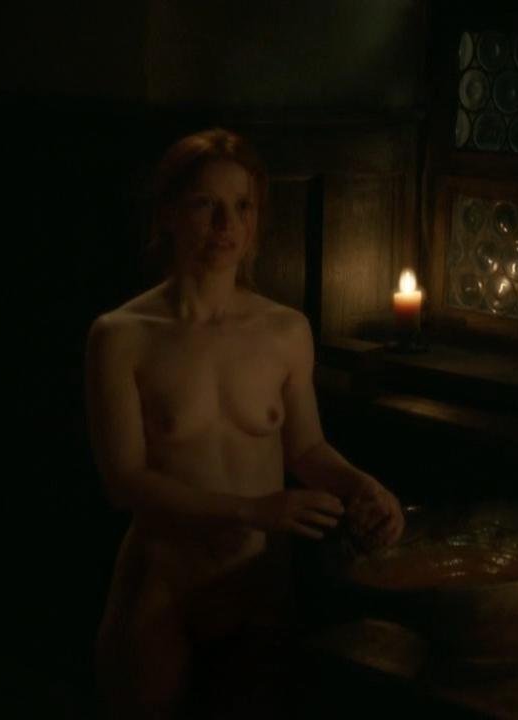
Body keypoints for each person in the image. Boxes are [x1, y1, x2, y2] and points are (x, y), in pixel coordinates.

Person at [85, 128, 404, 718]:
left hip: (257, 586)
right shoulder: (121, 336)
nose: (225, 224)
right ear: (168, 213)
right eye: (205, 204)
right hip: (162, 583)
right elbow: (124, 482)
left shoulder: (285, 330)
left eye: (242, 206)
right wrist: (252, 510)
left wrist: (362, 485)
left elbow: (306, 448)